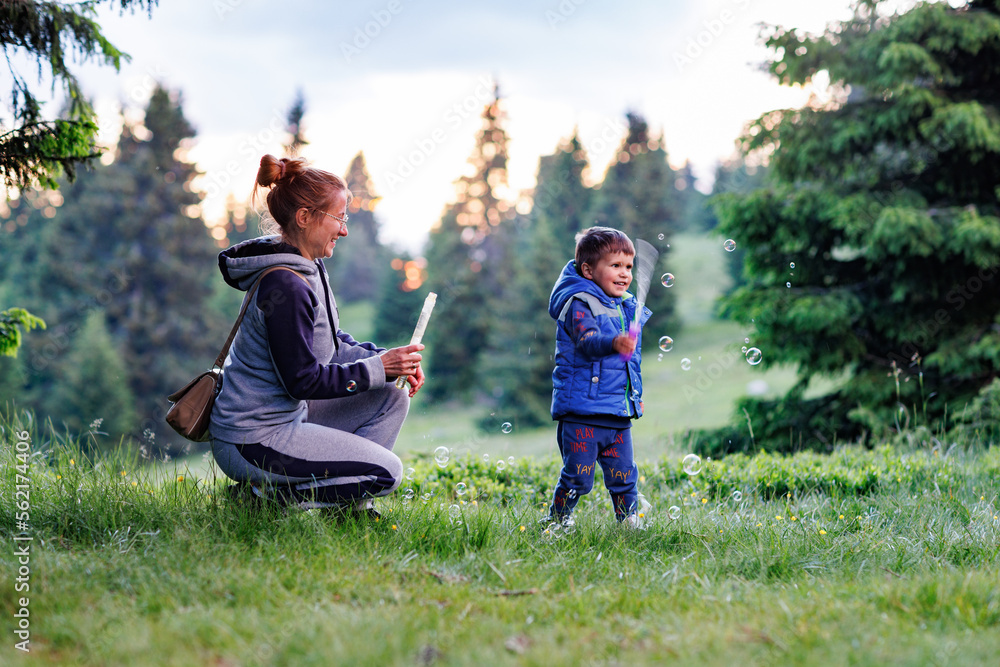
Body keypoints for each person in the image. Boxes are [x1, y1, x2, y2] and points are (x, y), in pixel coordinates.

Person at [209, 154, 425, 518]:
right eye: (338, 219)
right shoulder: (285, 285)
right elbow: (302, 381)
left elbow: (333, 345)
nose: (344, 230)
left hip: (289, 420)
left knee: (391, 397)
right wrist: (378, 366)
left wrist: (391, 361)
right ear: (305, 217)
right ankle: (262, 502)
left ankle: (347, 509)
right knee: (387, 471)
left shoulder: (309, 268)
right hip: (252, 440)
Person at [543, 226, 651, 528]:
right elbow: (588, 341)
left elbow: (629, 365)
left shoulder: (625, 306)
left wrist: (633, 398)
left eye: (628, 266)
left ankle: (630, 525)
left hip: (617, 412)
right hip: (582, 414)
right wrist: (614, 342)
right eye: (615, 265)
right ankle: (557, 522)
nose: (624, 274)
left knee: (624, 475)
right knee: (578, 476)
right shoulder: (578, 303)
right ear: (588, 270)